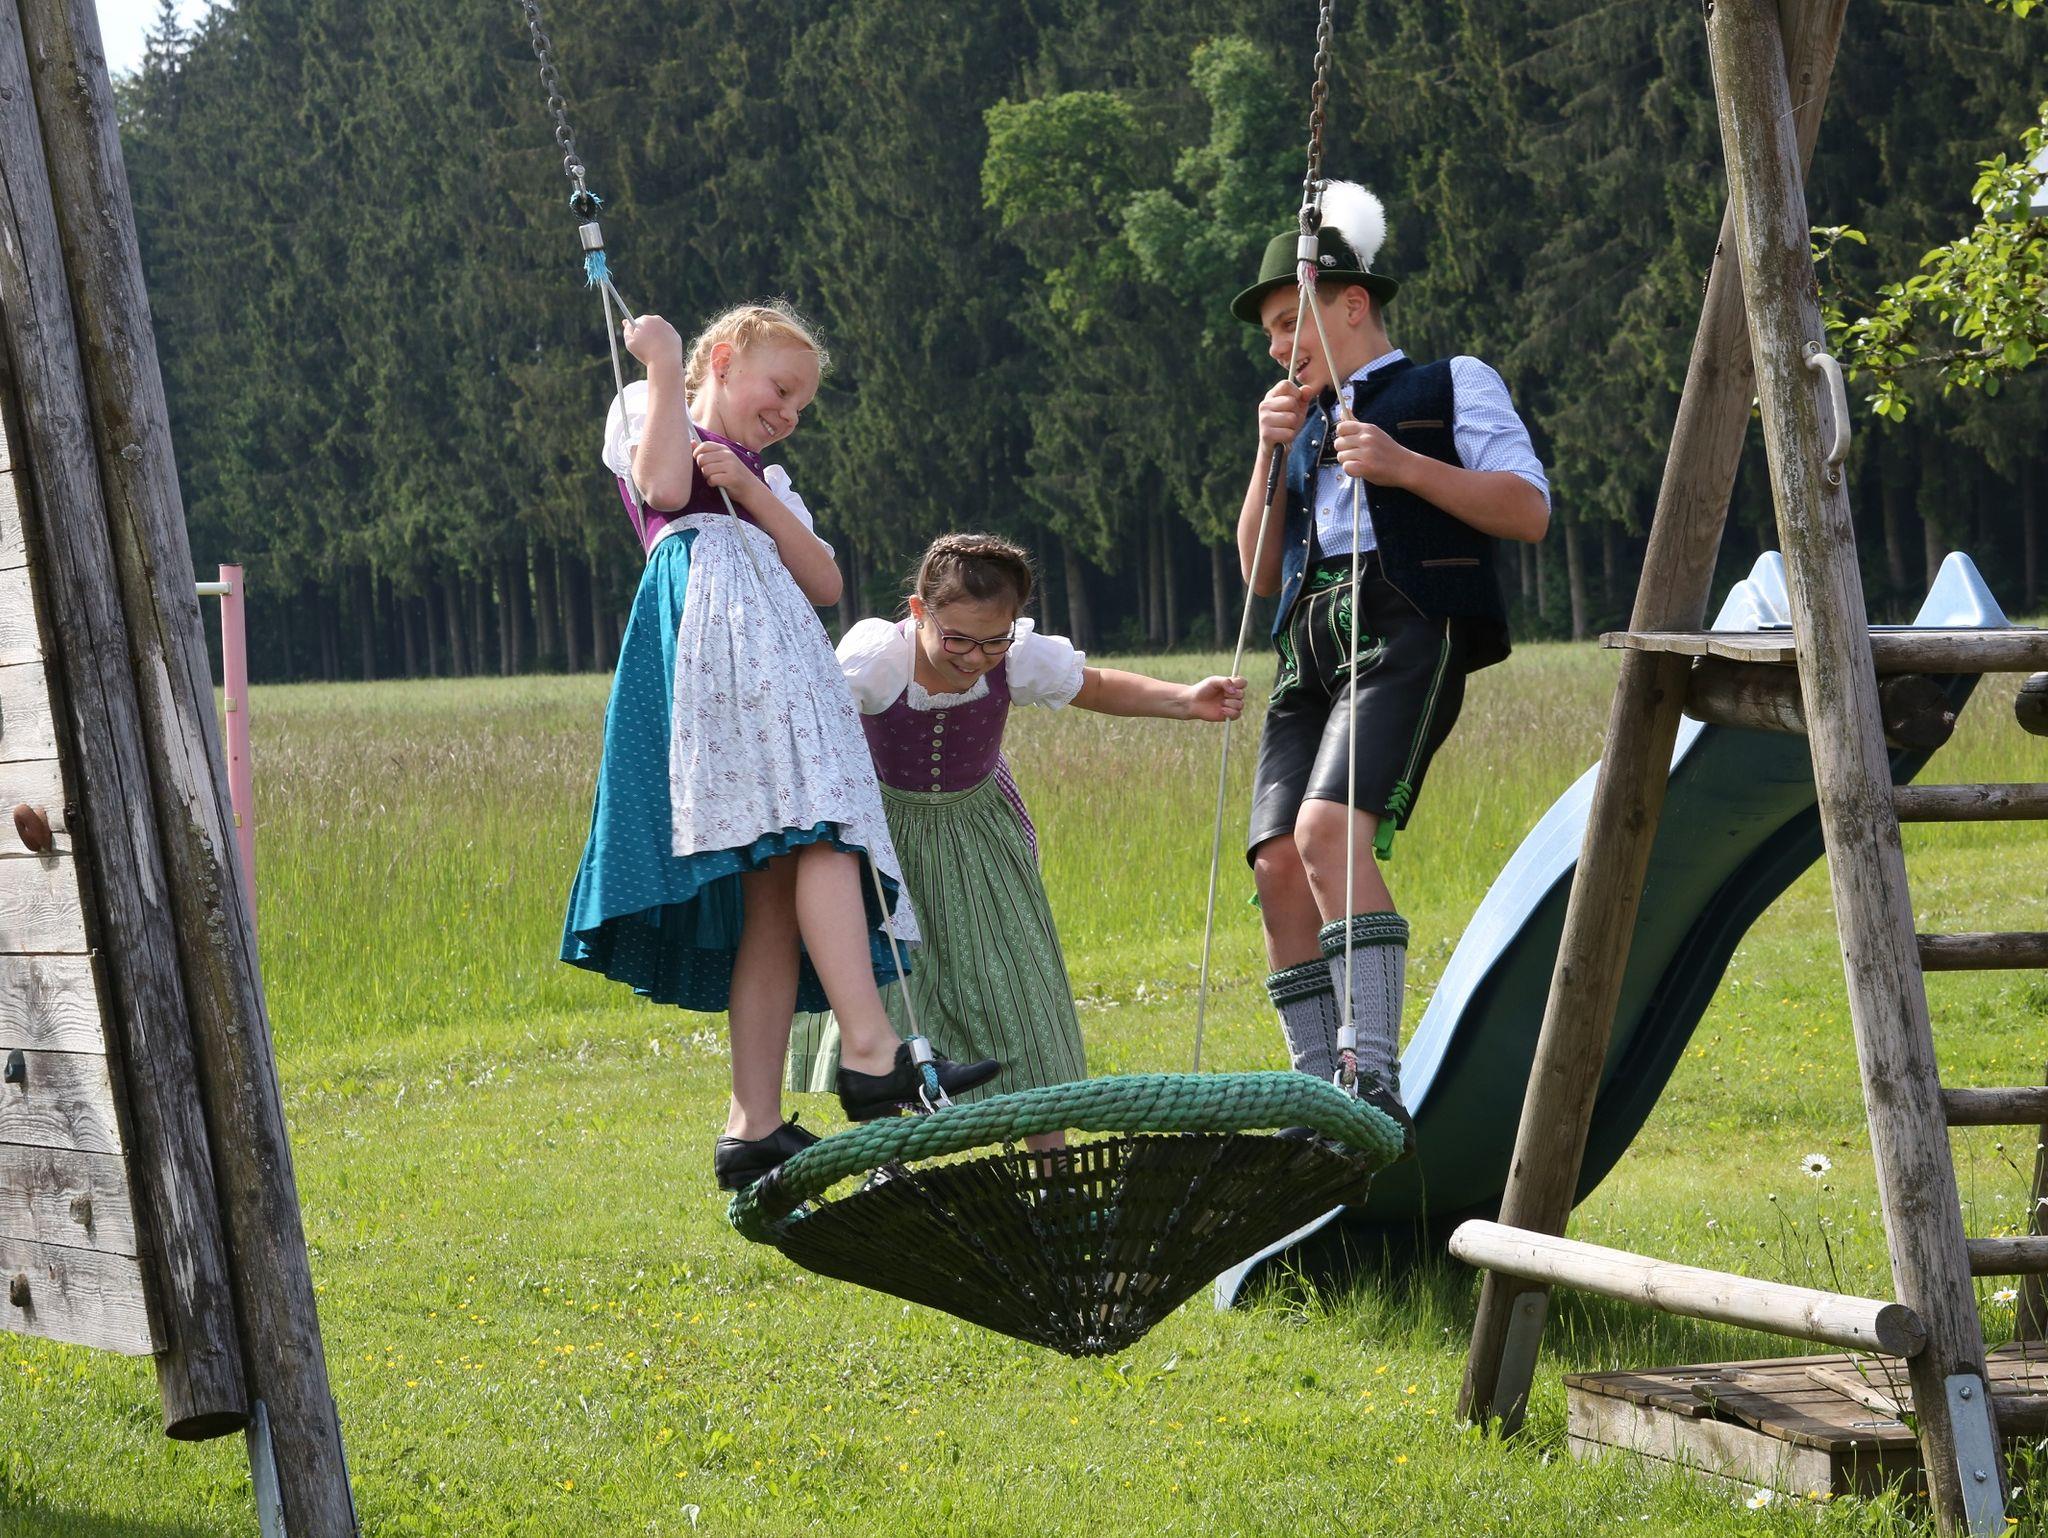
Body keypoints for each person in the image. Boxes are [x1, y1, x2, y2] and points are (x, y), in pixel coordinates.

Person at [560, 301, 998, 1192]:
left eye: (802, 402)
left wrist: (754, 490)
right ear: (722, 362)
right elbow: (664, 490)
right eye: (780, 388)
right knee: (825, 827)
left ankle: (752, 1123)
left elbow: (825, 579)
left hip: (778, 650)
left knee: (775, 896)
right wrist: (663, 362)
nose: (789, 412)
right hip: (714, 644)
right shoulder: (650, 411)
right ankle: (870, 1050)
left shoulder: (768, 479)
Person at [1230, 183, 1550, 1155]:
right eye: (1269, 331)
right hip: (1306, 643)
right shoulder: (1293, 420)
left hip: (1406, 623)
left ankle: (1371, 1079)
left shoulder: (1451, 383)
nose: (1277, 346)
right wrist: (1264, 454)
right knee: (1275, 862)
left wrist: (1405, 466)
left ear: (1353, 304)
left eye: (1290, 321)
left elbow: (1526, 509)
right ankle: (1311, 1095)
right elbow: (1257, 573)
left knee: (1328, 834)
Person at [789, 534, 1244, 1150]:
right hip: (886, 839)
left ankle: (1051, 1169)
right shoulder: (877, 658)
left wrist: (1187, 700)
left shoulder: (1018, 658)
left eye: (993, 640)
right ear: (919, 610)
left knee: (1017, 984)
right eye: (958, 639)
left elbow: (1094, 685)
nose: (976, 657)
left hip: (981, 835)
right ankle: (887, 1163)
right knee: (891, 988)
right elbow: (812, 722)